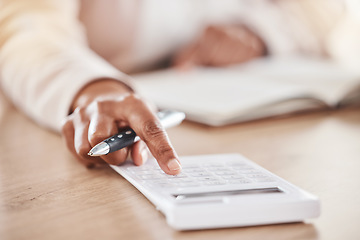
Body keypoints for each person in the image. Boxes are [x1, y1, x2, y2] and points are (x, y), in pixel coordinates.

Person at [0, 0, 358, 174]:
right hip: (110, 102)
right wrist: (95, 88)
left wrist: (259, 32)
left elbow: (324, 11)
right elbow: (24, 30)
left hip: (264, 123)